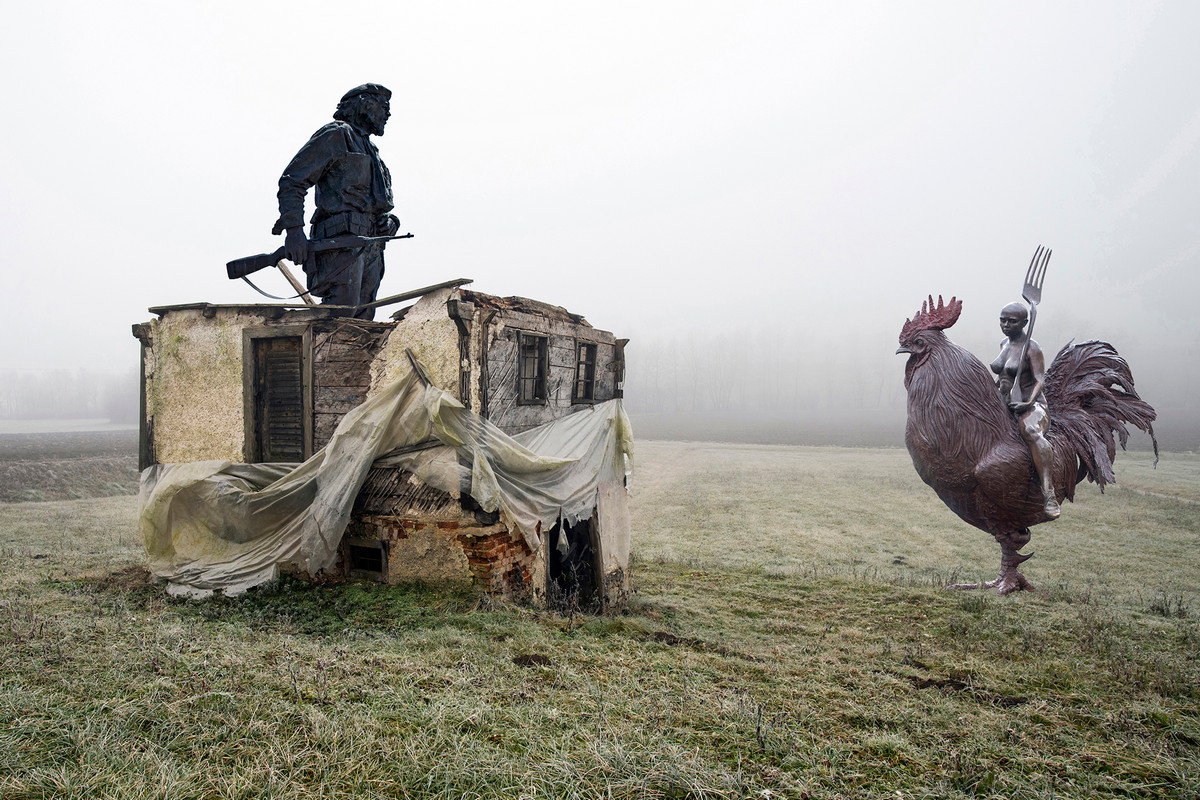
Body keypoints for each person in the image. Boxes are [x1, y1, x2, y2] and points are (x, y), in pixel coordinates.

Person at [271, 83, 399, 319]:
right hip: (339, 244)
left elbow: (379, 205)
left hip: (371, 246)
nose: (388, 114)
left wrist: (391, 223)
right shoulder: (336, 135)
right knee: (339, 318)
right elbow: (292, 182)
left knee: (363, 322)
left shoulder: (374, 152)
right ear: (365, 104)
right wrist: (294, 231)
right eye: (384, 106)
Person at [990, 301, 1060, 519]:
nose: (1006, 324)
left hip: (1032, 404)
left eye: (1012, 321)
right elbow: (1003, 376)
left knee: (1030, 431)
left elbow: (1040, 380)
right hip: (1007, 401)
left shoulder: (1032, 347)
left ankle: (1049, 493)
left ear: (1024, 323)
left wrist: (1028, 403)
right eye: (1003, 319)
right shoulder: (1004, 343)